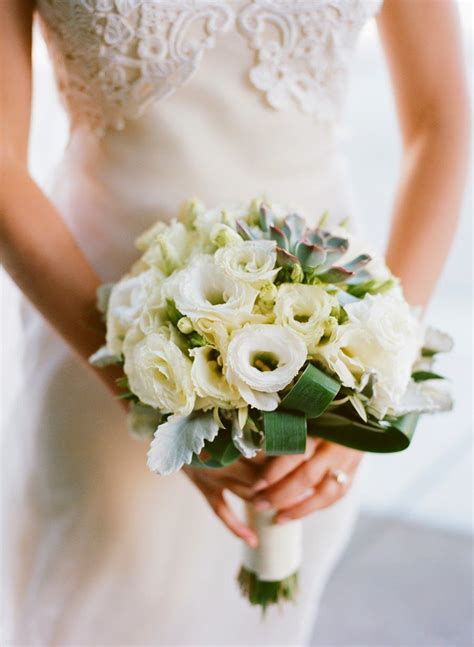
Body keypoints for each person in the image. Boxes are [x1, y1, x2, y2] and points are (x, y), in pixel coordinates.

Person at [0, 1, 469, 644]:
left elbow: (441, 120)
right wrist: (141, 386)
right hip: (97, 322)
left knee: (265, 609)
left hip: (324, 348)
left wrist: (385, 358)